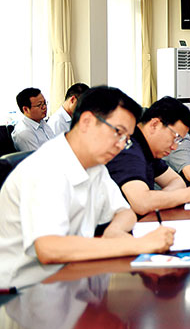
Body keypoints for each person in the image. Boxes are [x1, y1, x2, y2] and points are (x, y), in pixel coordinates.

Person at [0, 86, 175, 290]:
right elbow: (49, 248)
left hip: (71, 277)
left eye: (126, 139)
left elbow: (124, 212)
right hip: (24, 291)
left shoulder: (94, 165)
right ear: (86, 122)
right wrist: (138, 244)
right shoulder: (46, 167)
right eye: (118, 133)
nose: (121, 145)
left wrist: (115, 230)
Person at [106, 96, 190, 216]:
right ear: (154, 124)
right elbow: (141, 203)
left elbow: (176, 181)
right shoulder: (129, 148)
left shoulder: (149, 149)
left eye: (179, 141)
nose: (174, 147)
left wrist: (159, 199)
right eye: (175, 137)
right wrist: (187, 195)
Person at [11, 87, 55, 151]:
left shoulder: (42, 122)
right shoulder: (24, 132)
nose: (44, 107)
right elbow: (37, 156)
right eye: (39, 105)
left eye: (45, 103)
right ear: (26, 109)